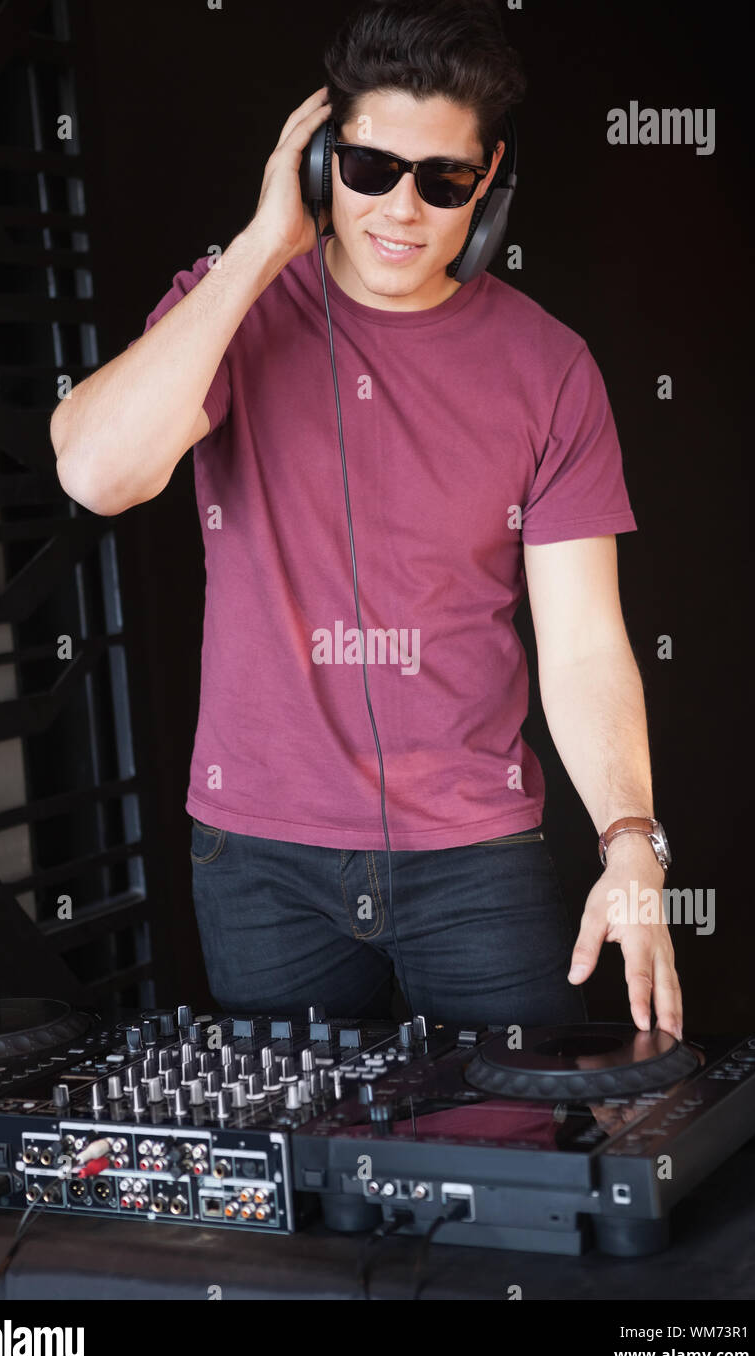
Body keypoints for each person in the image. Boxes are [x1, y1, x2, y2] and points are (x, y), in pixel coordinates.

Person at [50, 0, 682, 1036]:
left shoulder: (549, 366)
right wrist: (259, 248)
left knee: (514, 1168)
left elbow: (580, 644)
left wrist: (625, 836)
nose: (402, 209)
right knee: (300, 1185)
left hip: (473, 857)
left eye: (442, 181)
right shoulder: (231, 313)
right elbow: (95, 472)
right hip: (257, 858)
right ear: (315, 167)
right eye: (368, 170)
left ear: (486, 188)